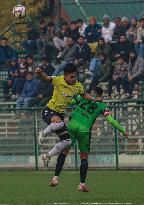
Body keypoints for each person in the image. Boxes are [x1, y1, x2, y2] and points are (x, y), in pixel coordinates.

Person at [44, 87, 128, 191]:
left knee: (65, 151)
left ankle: (55, 178)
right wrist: (123, 130)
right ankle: (82, 184)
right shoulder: (102, 106)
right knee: (84, 156)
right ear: (101, 95)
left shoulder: (83, 97)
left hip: (72, 125)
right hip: (84, 129)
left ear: (92, 92)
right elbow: (111, 120)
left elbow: (70, 102)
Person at [35, 63, 94, 161]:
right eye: (71, 76)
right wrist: (40, 73)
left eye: (75, 76)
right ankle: (42, 133)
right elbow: (46, 78)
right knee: (59, 123)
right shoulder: (58, 80)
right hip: (49, 110)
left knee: (67, 142)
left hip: (60, 114)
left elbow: (84, 95)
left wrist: (94, 99)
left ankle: (47, 156)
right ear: (65, 76)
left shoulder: (77, 85)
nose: (73, 78)